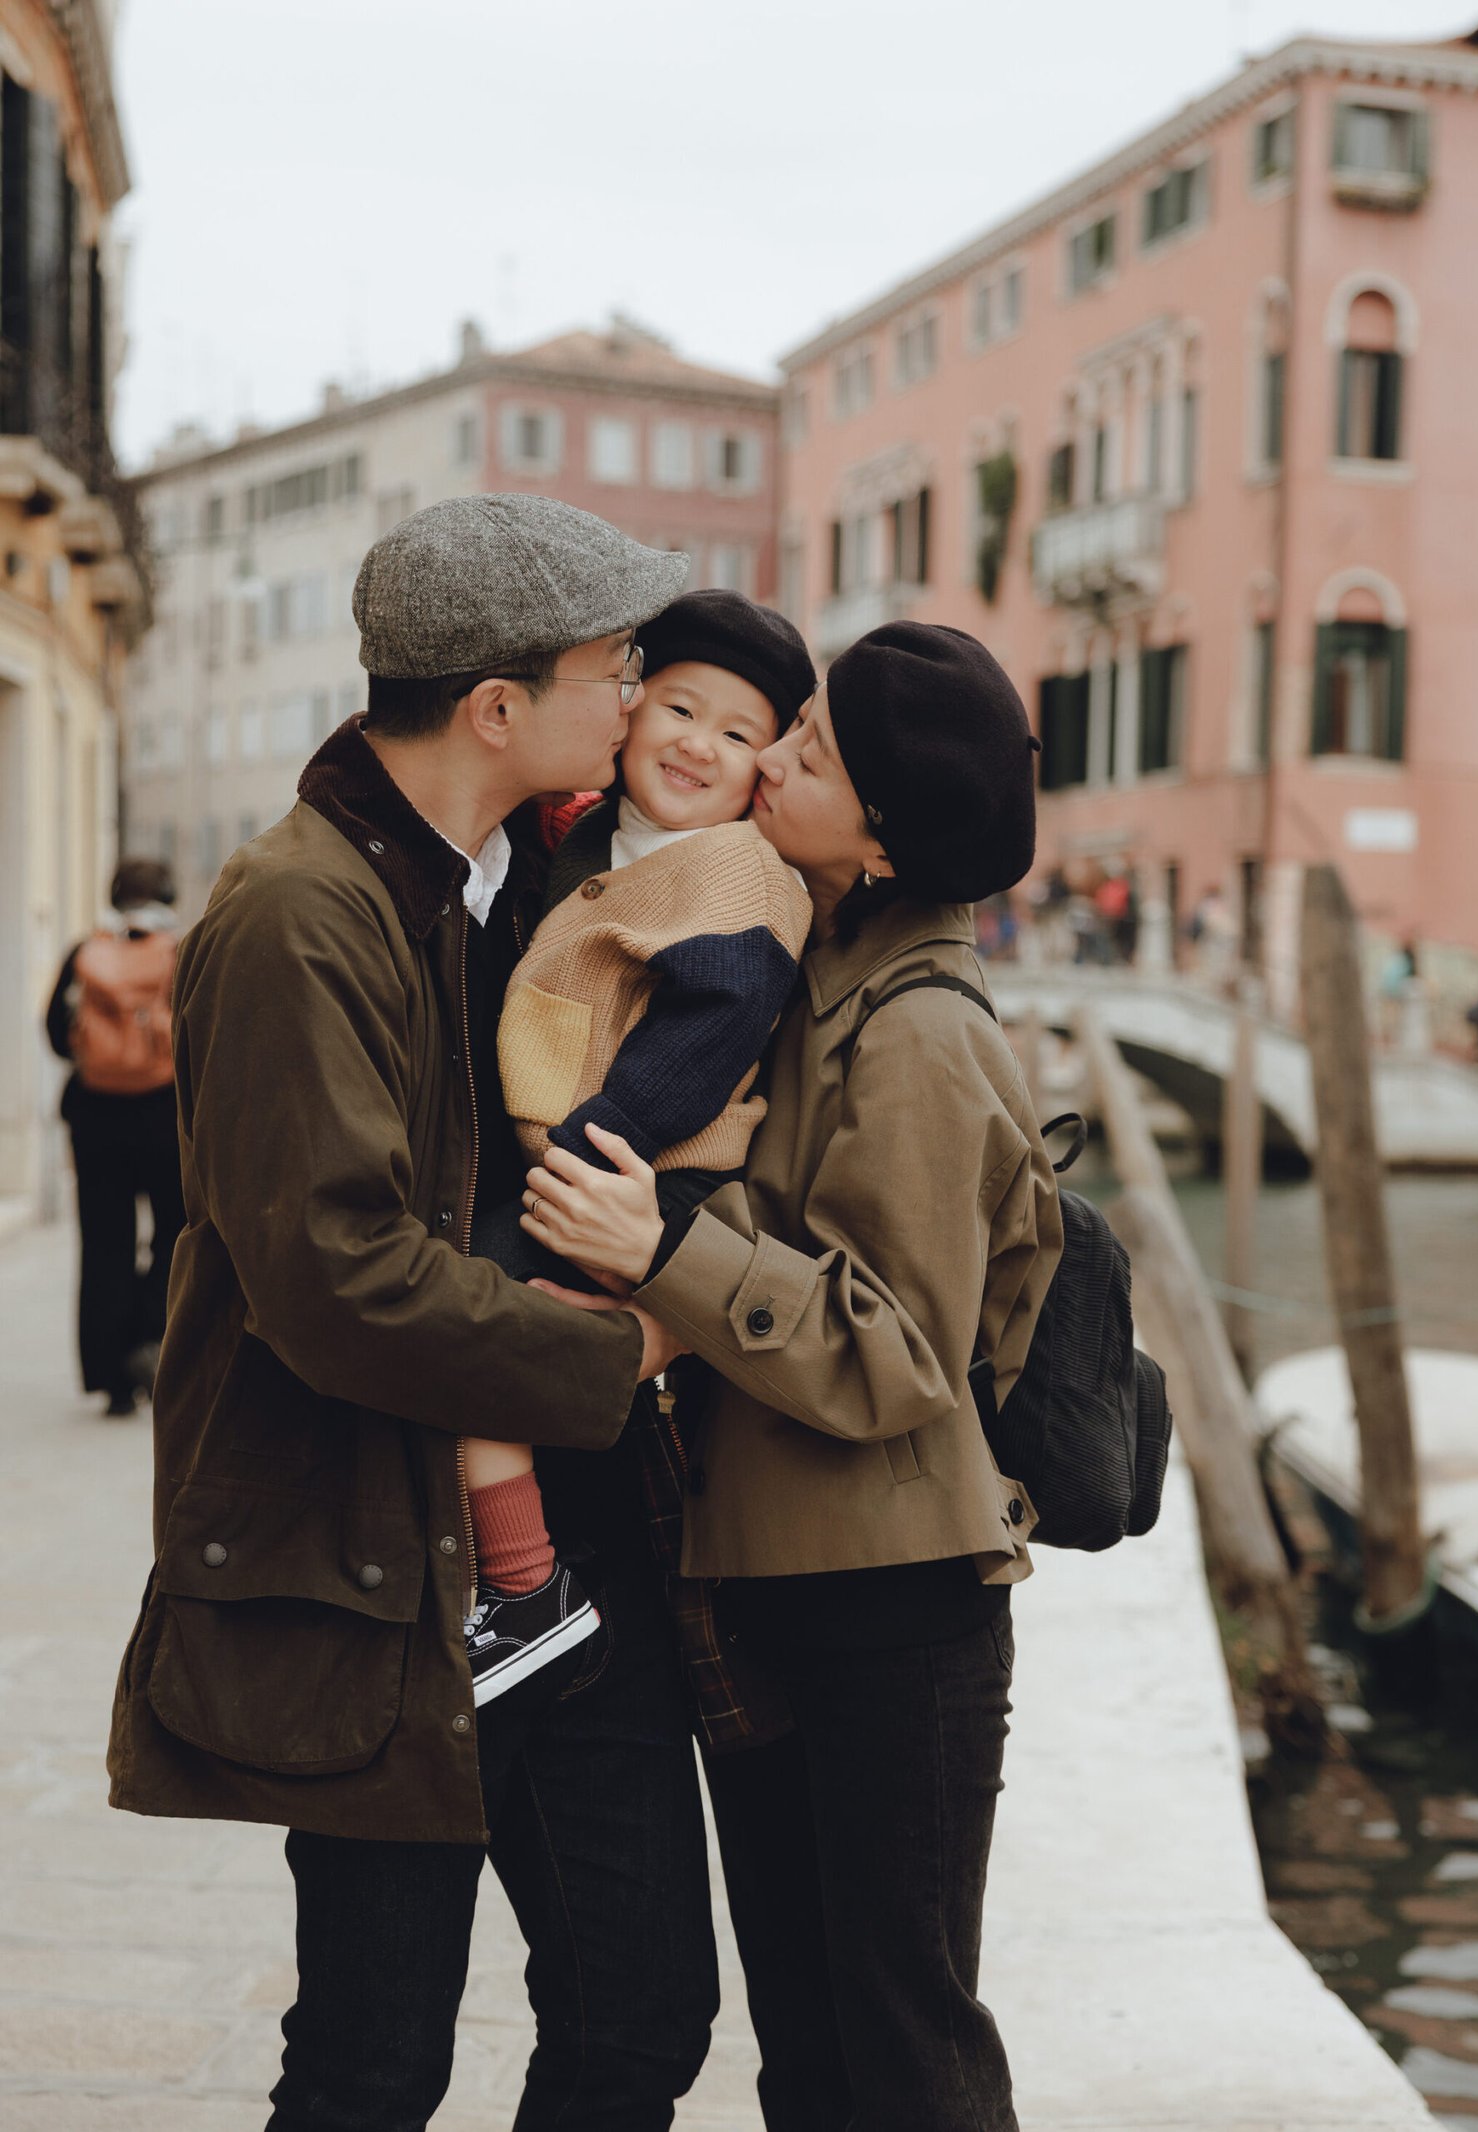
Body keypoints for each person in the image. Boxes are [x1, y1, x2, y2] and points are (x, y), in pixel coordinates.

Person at [107, 495, 721, 2132]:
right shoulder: (298, 912)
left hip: (564, 1550)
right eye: (615, 666)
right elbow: (338, 1275)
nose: (637, 693)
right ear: (498, 707)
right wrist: (621, 1351)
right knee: (375, 2061)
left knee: (641, 2014)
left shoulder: (503, 882)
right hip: (381, 1561)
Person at [526, 621, 1064, 2132]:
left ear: (880, 843)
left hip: (895, 1609)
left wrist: (662, 1252)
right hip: (768, 1588)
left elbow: (900, 1349)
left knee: (904, 2050)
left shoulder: (920, 1032)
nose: (768, 758)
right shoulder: (798, 963)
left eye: (811, 754)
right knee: (810, 2052)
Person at [456, 589, 813, 1712]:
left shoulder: (739, 873)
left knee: (466, 1327)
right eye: (679, 708)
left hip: (646, 1167)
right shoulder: (584, 837)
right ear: (629, 707)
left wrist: (587, 1147)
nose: (698, 745)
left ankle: (524, 1590)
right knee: (484, 1329)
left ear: (766, 768)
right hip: (584, 1160)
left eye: (738, 733)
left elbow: (705, 1037)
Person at [45, 856, 185, 1416]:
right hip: (164, 1115)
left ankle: (111, 1375)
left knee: (104, 1241)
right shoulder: (178, 951)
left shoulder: (85, 952)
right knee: (176, 1230)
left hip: (96, 1116)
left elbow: (57, 1035)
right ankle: (151, 1336)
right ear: (167, 896)